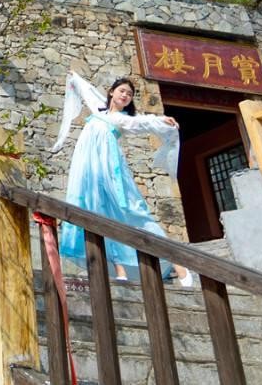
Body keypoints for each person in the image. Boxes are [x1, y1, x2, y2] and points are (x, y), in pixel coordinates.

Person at [52, 72, 191, 285]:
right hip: (91, 173)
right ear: (111, 92)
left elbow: (143, 123)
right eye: (122, 91)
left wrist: (161, 119)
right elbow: (85, 88)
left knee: (134, 212)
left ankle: (179, 265)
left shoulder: (123, 120)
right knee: (101, 214)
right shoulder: (98, 107)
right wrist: (74, 76)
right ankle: (121, 270)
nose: (125, 95)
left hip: (111, 171)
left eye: (130, 94)